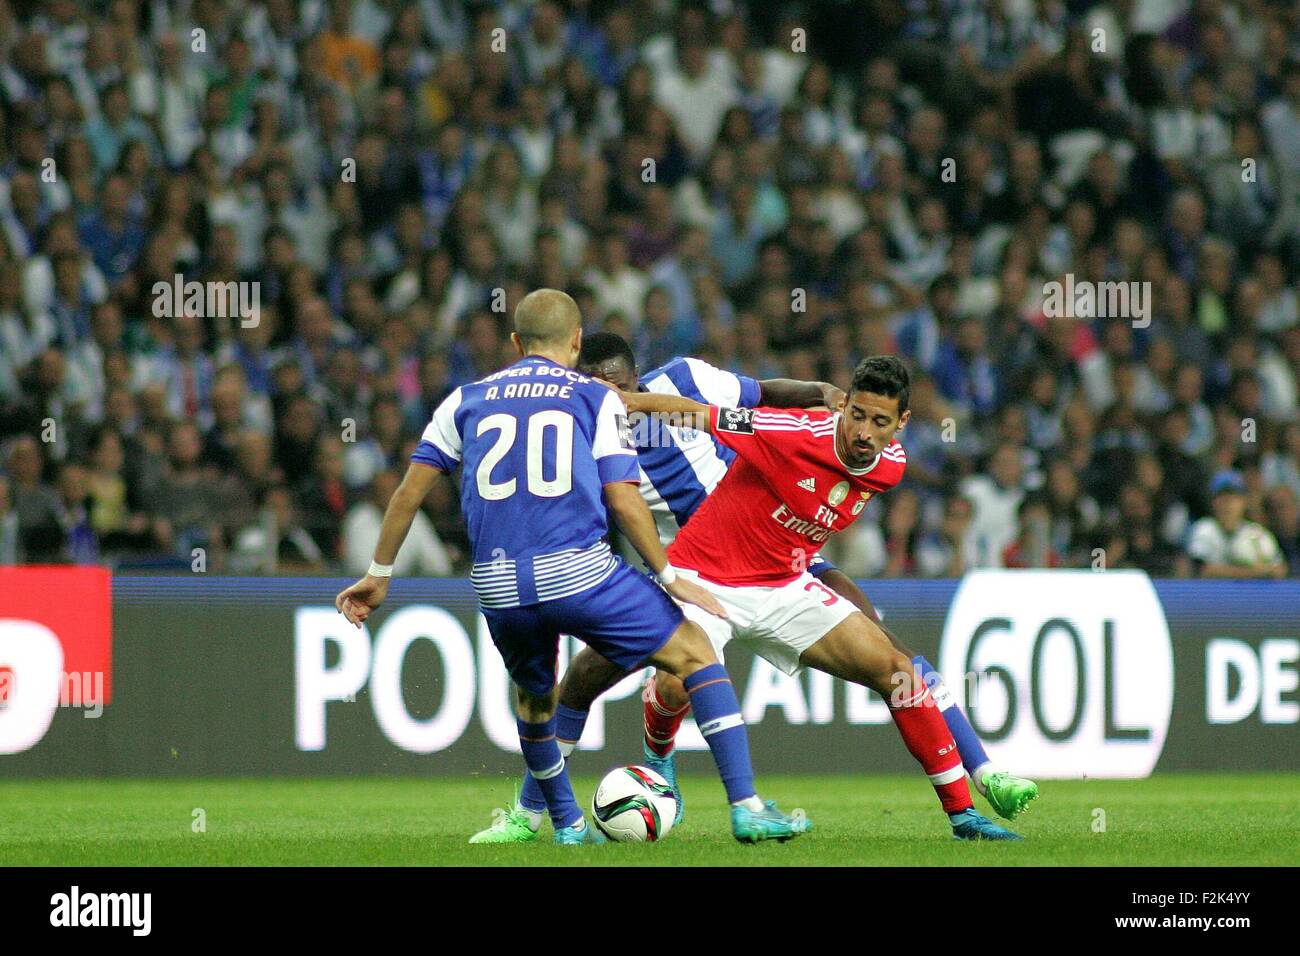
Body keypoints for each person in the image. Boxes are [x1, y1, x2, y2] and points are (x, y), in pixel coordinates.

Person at [484, 333, 1036, 841]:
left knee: (895, 661)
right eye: (596, 390)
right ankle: (541, 810)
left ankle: (980, 784)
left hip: (783, 559)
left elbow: (763, 394)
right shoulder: (578, 436)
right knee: (595, 677)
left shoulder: (687, 379)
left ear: (635, 379)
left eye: (618, 389)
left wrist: (825, 394)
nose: (866, 430)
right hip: (697, 566)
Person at [334, 289, 809, 846]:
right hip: (579, 573)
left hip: (498, 582)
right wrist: (670, 576)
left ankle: (563, 824)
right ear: (577, 340)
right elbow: (624, 497)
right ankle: (746, 806)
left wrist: (378, 573)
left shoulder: (465, 397)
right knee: (695, 654)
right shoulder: (595, 397)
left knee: (537, 700)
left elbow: (409, 493)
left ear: (515, 342)